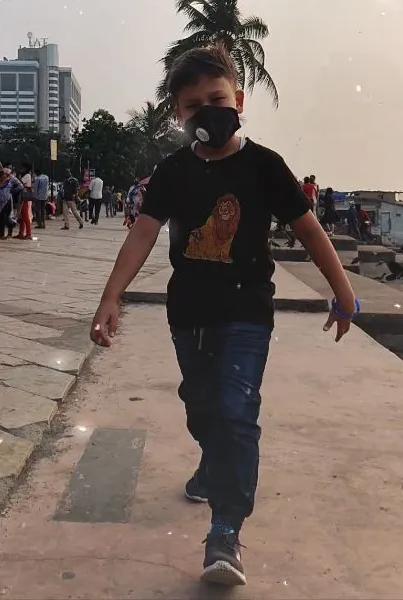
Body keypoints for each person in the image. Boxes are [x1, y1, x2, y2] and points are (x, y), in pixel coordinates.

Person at [89, 46, 357, 587]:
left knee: (235, 410)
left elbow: (308, 229)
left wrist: (343, 292)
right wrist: (110, 297)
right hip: (187, 312)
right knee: (200, 405)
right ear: (177, 114)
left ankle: (226, 531)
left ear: (238, 100)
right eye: (194, 105)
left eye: (218, 99)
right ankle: (212, 465)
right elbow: (143, 233)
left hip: (246, 312)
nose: (208, 111)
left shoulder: (265, 166)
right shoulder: (172, 171)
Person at [0, 164, 23, 240]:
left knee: (7, 217)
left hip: (8, 201)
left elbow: (20, 186)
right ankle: (1, 234)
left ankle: (9, 233)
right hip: (0, 201)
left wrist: (12, 191)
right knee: (1, 218)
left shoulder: (11, 178)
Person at [17, 162, 33, 240]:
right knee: (22, 217)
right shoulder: (26, 175)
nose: (21, 169)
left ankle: (29, 233)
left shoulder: (27, 175)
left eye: (23, 168)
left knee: (25, 216)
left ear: (26, 169)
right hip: (22, 197)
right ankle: (21, 233)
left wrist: (19, 177)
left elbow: (20, 183)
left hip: (24, 198)